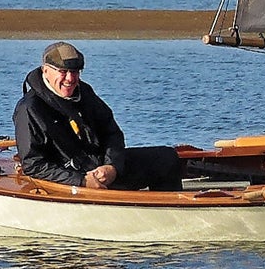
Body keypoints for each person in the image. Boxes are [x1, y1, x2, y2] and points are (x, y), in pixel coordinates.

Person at [13, 41, 183, 191]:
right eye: (63, 72)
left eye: (76, 72)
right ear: (45, 70)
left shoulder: (85, 93)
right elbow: (33, 164)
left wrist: (112, 166)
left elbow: (112, 132)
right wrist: (82, 181)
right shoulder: (29, 108)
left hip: (101, 168)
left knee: (167, 158)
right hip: (64, 179)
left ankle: (172, 215)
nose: (70, 79)